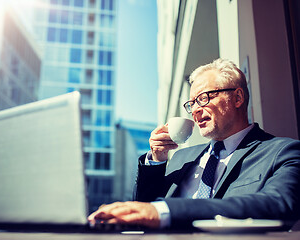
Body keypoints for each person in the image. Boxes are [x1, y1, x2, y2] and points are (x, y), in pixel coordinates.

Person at [88, 58, 300, 230]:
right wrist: (156, 160)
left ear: (237, 98)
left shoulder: (282, 152)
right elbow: (144, 209)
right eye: (192, 103)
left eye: (204, 98)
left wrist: (169, 211)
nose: (196, 109)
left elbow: (279, 204)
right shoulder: (182, 157)